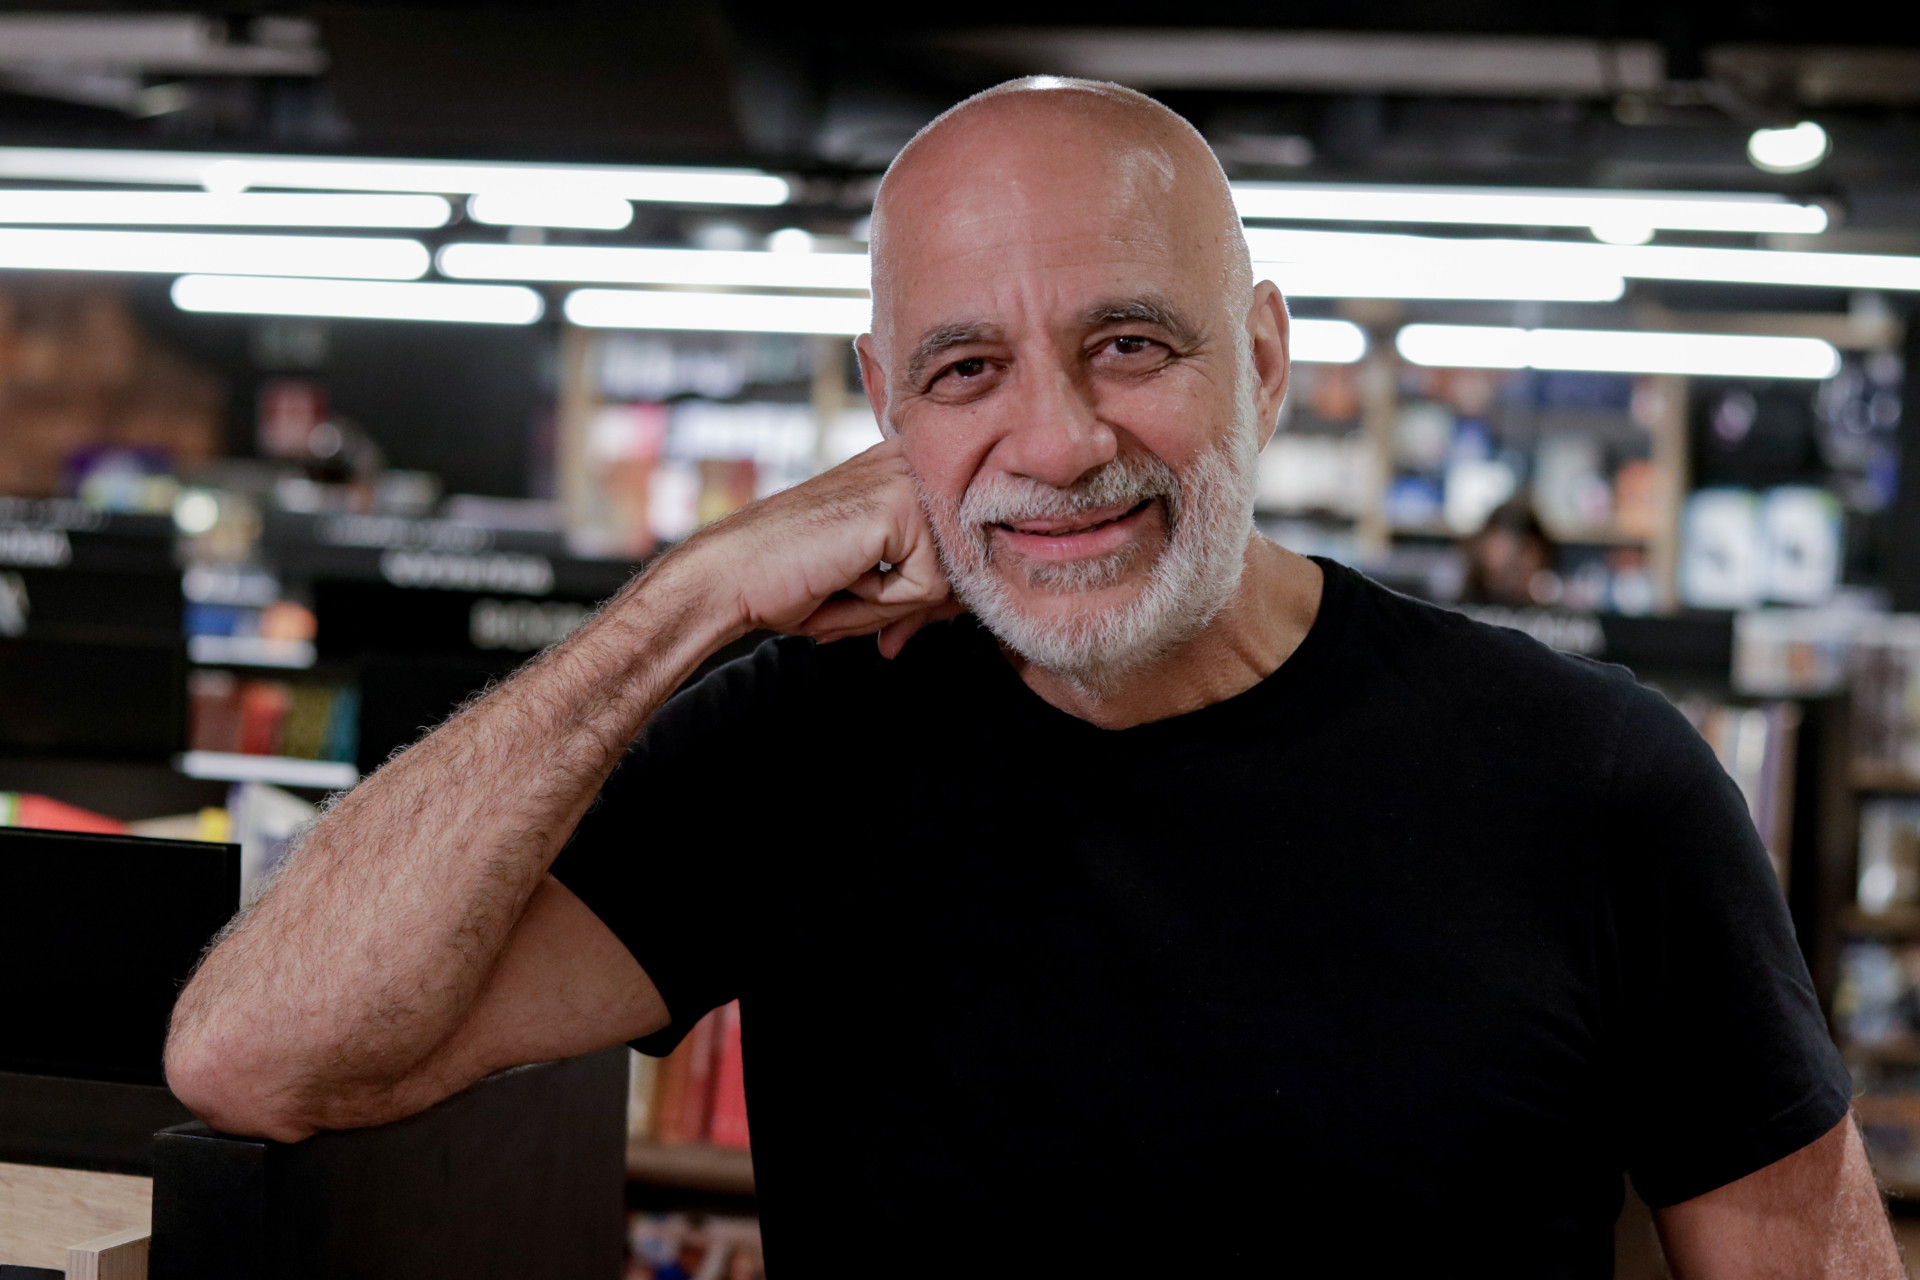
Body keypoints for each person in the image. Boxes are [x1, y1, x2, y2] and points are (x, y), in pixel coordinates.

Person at [164, 79, 1899, 1277]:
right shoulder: (796, 751)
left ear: (1265, 361)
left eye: (1128, 344)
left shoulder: (1590, 783)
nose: (1058, 442)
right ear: (881, 403)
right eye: (966, 371)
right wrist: (683, 601)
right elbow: (257, 1057)